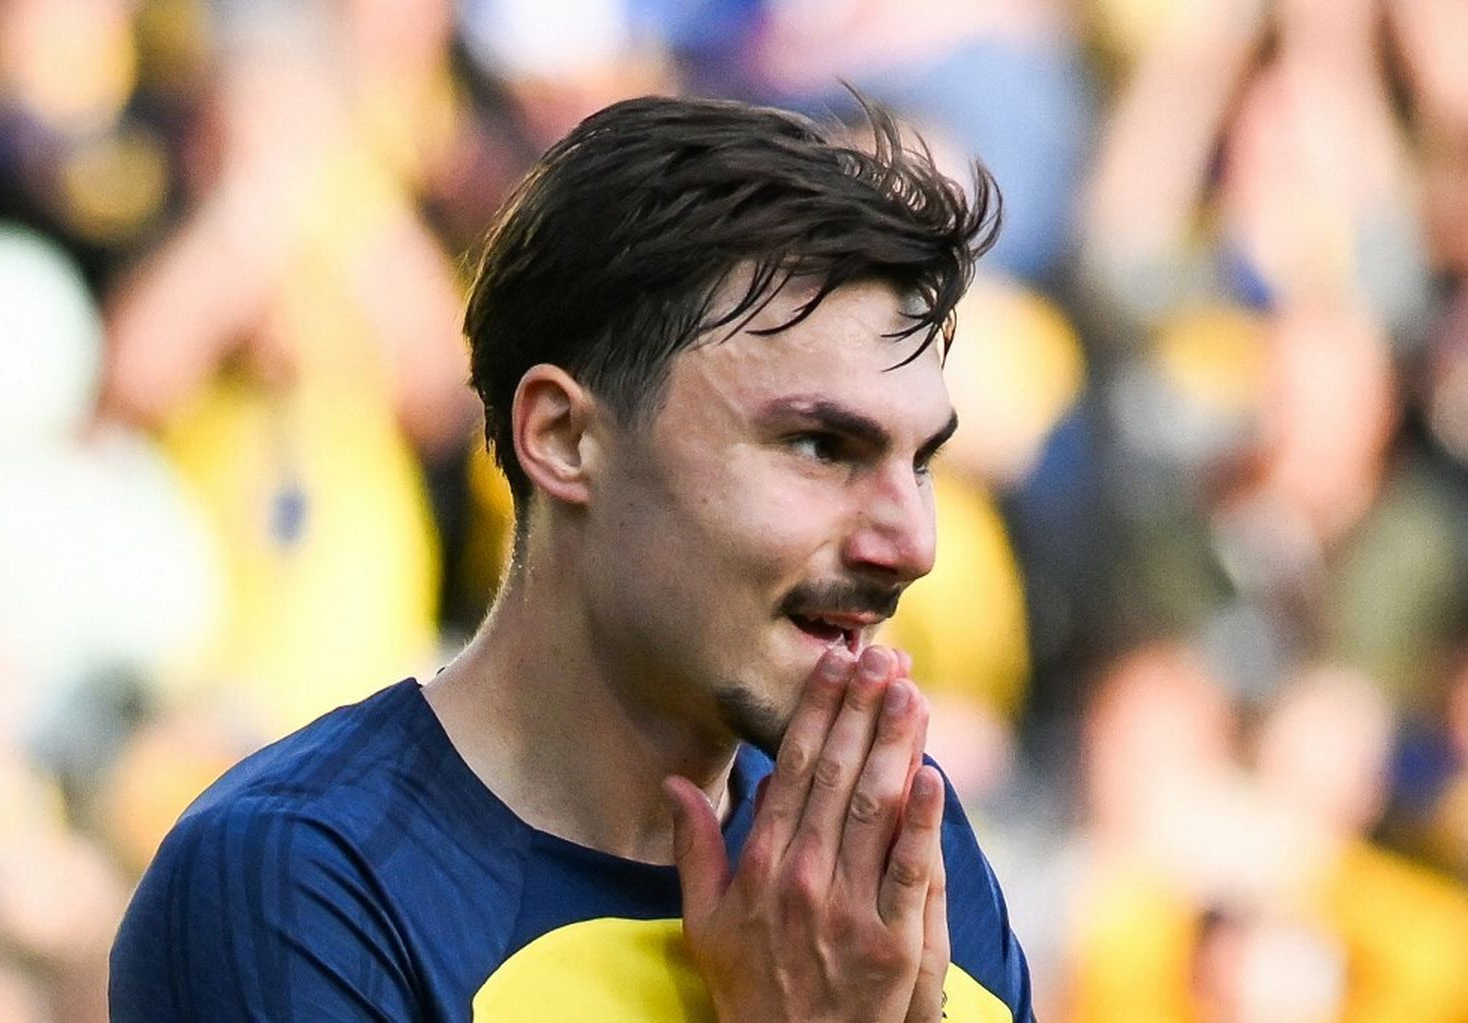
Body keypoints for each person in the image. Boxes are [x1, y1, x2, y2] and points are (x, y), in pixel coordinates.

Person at [110, 94, 1035, 1022]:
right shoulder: (297, 880)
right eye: (821, 446)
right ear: (562, 436)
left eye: (922, 461)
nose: (912, 543)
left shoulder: (894, 844)